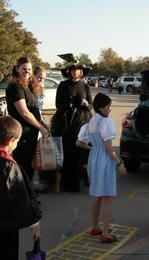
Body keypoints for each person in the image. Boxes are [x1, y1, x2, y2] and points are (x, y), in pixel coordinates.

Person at [77, 92, 126, 243]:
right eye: (108, 106)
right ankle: (105, 232)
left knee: (97, 194)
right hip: (105, 160)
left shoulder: (90, 122)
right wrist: (119, 163)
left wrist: (92, 149)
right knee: (107, 197)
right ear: (102, 108)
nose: (110, 109)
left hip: (94, 160)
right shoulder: (107, 122)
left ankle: (95, 226)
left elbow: (79, 143)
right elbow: (108, 147)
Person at [0, 116, 41, 260]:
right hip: (6, 226)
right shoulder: (10, 166)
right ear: (11, 141)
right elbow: (23, 197)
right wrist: (35, 223)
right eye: (17, 141)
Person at [51, 54, 93, 192]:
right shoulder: (63, 85)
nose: (75, 72)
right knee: (67, 151)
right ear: (69, 71)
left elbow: (91, 106)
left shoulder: (85, 86)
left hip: (81, 123)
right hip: (65, 124)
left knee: (79, 152)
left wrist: (84, 104)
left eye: (78, 69)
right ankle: (65, 181)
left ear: (81, 72)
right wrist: (68, 104)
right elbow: (58, 104)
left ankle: (80, 180)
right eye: (73, 69)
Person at [5, 57, 49, 181]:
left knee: (28, 166)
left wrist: (42, 124)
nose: (27, 71)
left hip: (30, 132)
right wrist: (40, 127)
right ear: (17, 69)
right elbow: (24, 112)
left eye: (29, 69)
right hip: (22, 133)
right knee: (22, 166)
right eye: (24, 68)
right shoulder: (15, 86)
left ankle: (29, 196)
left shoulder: (26, 85)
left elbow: (34, 111)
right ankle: (22, 197)